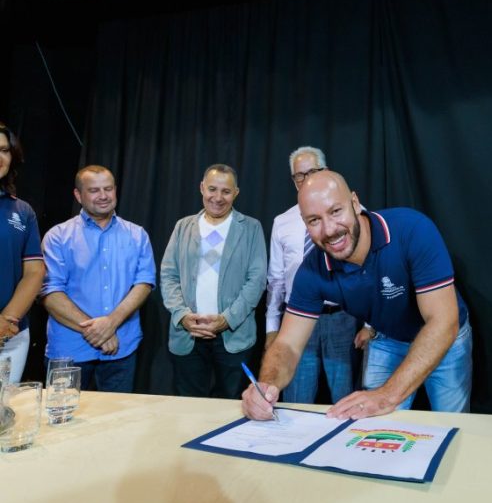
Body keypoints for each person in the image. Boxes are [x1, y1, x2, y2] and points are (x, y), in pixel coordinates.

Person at [242, 170, 472, 420]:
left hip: (445, 336)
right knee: (373, 427)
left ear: (355, 202)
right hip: (388, 338)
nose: (329, 230)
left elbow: (443, 322)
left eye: (335, 211)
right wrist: (266, 386)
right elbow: (287, 344)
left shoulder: (412, 229)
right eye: (314, 220)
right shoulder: (312, 271)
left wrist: (386, 396)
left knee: (452, 421)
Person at [41, 165, 155, 392]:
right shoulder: (57, 236)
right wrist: (99, 332)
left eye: (108, 189)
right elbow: (50, 293)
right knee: (63, 414)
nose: (103, 196)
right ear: (78, 195)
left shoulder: (137, 235)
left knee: (119, 415)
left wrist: (111, 323)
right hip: (69, 351)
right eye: (94, 190)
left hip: (121, 349)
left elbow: (144, 284)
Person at [161, 164, 267, 399]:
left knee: (232, 407)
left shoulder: (251, 228)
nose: (218, 198)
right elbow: (169, 275)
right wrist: (182, 315)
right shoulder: (183, 227)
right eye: (212, 189)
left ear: (236, 193)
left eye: (226, 191)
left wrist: (227, 319)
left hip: (234, 336)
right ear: (202, 188)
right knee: (189, 407)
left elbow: (257, 280)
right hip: (188, 334)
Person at [266, 146, 359, 404]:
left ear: (325, 171)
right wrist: (272, 328)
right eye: (299, 175)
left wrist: (370, 327)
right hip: (296, 319)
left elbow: (369, 267)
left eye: (312, 172)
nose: (306, 179)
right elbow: (275, 281)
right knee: (297, 398)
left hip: (340, 318)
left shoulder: (348, 213)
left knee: (345, 399)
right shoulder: (282, 222)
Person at [0, 122, 45, 382]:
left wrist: (7, 321)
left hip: (11, 332)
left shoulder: (23, 211)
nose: (0, 157)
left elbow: (34, 272)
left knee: (5, 404)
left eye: (4, 150)